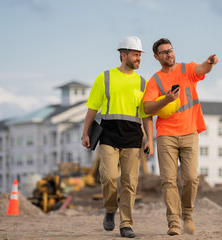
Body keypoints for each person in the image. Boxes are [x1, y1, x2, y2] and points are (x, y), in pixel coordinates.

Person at [143, 38, 218, 236]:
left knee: (191, 178)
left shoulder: (187, 69)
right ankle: (174, 223)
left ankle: (188, 214)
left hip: (189, 132)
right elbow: (146, 108)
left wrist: (209, 63)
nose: (169, 54)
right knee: (168, 180)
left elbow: (202, 69)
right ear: (156, 57)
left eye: (170, 50)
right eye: (164, 52)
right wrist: (167, 99)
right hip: (166, 135)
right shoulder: (155, 80)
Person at [81, 36, 153, 238]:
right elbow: (92, 109)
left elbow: (147, 115)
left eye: (140, 55)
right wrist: (85, 133)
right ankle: (110, 209)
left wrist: (150, 140)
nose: (139, 58)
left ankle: (126, 224)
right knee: (109, 177)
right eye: (136, 54)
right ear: (124, 55)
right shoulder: (104, 78)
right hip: (109, 134)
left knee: (130, 182)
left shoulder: (142, 82)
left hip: (132, 136)